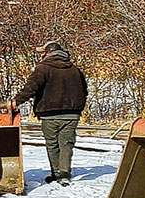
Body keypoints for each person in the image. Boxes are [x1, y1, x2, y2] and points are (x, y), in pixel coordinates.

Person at [12, 38, 88, 185]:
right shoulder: (75, 70)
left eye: (43, 53)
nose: (41, 56)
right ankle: (64, 173)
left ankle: (56, 172)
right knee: (66, 144)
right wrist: (79, 107)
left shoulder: (43, 69)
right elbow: (84, 91)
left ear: (48, 53)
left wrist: (16, 102)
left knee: (52, 144)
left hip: (49, 113)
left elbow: (31, 88)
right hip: (72, 114)